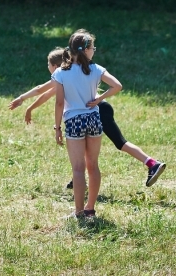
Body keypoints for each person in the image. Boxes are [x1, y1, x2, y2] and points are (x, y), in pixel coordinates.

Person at [9, 48, 167, 189]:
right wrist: (28, 106)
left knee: (119, 143)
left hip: (96, 110)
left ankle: (152, 163)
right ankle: (78, 179)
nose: (47, 68)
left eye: (48, 65)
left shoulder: (62, 75)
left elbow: (41, 91)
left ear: (55, 66)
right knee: (92, 145)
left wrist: (25, 101)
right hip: (101, 108)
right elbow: (46, 94)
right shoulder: (70, 74)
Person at [51, 29, 123, 218]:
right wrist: (99, 99)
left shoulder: (60, 73)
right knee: (93, 165)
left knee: (77, 169)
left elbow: (59, 103)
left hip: (74, 122)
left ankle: (79, 212)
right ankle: (90, 209)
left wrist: (57, 127)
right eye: (93, 48)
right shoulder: (96, 69)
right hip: (94, 119)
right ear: (86, 50)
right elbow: (117, 86)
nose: (94, 51)